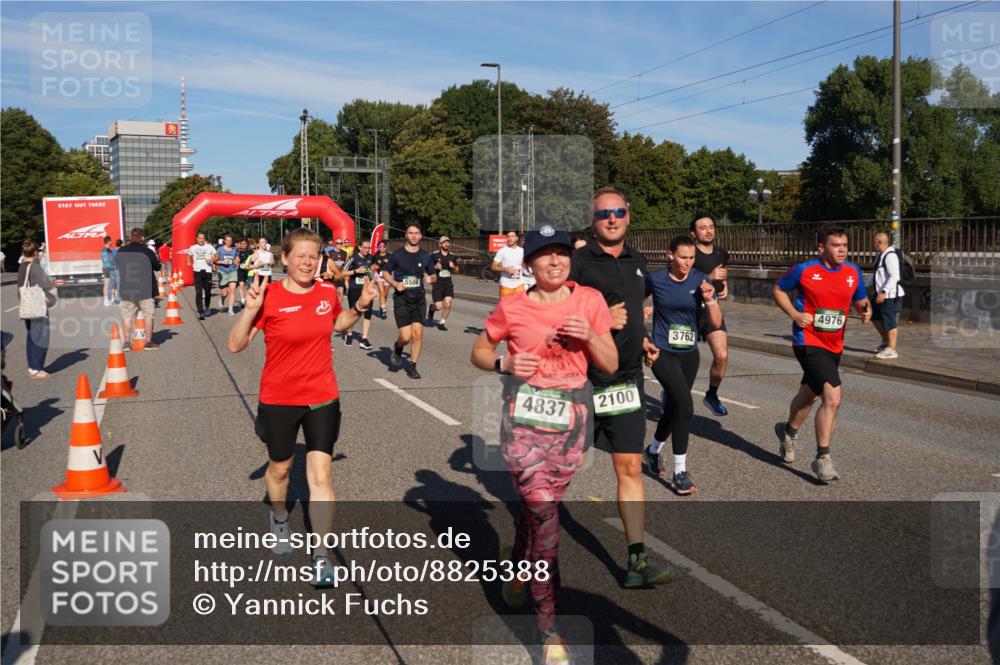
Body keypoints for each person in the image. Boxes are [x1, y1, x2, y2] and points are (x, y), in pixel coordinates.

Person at [470, 224, 617, 665]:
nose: (555, 261)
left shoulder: (589, 301)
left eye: (561, 253)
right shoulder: (512, 307)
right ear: (530, 264)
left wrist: (590, 336)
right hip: (523, 425)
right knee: (543, 512)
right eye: (544, 255)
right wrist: (505, 362)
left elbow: (608, 364)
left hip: (572, 425)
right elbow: (478, 350)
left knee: (540, 512)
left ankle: (517, 567)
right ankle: (549, 629)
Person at [227, 227, 377, 587]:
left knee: (321, 476)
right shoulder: (270, 295)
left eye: (314, 256)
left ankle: (321, 556)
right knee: (280, 471)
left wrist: (359, 306)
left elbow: (337, 323)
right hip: (279, 398)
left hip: (323, 396)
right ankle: (279, 517)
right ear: (285, 259)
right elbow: (235, 345)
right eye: (301, 256)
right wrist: (249, 310)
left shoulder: (326, 291)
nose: (308, 262)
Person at [570, 187, 678, 587]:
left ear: (629, 216)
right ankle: (524, 554)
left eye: (617, 212)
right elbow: (559, 318)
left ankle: (636, 563)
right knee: (565, 469)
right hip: (582, 380)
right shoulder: (578, 262)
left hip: (627, 380)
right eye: (603, 214)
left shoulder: (637, 261)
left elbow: (630, 314)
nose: (611, 218)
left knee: (629, 466)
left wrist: (642, 338)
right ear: (593, 220)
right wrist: (599, 322)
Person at [773, 223, 870, 482]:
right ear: (821, 247)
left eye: (845, 245)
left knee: (810, 395)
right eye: (835, 245)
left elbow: (860, 298)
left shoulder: (853, 271)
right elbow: (779, 289)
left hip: (835, 344)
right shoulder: (805, 271)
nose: (842, 250)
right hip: (808, 340)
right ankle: (823, 458)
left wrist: (865, 310)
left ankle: (788, 432)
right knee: (833, 396)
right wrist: (794, 314)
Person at [644, 236, 721, 496]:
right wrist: (643, 331)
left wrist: (709, 299)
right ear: (670, 255)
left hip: (689, 353)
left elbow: (717, 320)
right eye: (682, 257)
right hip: (662, 352)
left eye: (691, 258)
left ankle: (653, 451)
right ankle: (680, 472)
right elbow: (632, 304)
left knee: (674, 407)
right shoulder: (655, 279)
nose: (687, 263)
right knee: (685, 405)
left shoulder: (700, 280)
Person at [382, 224, 436, 379]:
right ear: (406, 235)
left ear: (420, 236)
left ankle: (413, 366)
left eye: (416, 233)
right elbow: (385, 272)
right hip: (402, 299)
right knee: (405, 337)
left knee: (418, 333)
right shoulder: (397, 255)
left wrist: (430, 278)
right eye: (410, 233)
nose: (413, 236)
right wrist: (394, 284)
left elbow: (434, 276)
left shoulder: (425, 256)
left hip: (419, 299)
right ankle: (398, 347)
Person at [690, 215, 730, 416]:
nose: (708, 231)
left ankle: (712, 394)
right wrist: (709, 277)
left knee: (722, 355)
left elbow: (723, 271)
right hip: (688, 310)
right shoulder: (689, 254)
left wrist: (724, 285)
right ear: (693, 233)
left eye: (711, 227)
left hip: (711, 310)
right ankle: (672, 392)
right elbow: (680, 281)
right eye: (703, 227)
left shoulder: (722, 253)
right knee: (685, 363)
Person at [116, 228, 162, 349]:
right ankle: (148, 342)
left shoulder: (121, 250)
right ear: (142, 238)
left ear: (130, 237)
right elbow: (157, 267)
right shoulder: (147, 252)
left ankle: (126, 342)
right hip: (145, 289)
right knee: (148, 316)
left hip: (127, 289)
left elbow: (116, 265)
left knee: (127, 316)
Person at [17, 240, 57, 379]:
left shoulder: (22, 266)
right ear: (35, 253)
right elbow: (46, 284)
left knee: (31, 337)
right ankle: (36, 369)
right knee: (40, 337)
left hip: (27, 305)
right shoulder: (35, 267)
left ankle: (32, 367)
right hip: (37, 307)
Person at [869, 231, 904, 359]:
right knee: (875, 317)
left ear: (879, 243)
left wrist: (884, 292)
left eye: (874, 242)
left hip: (890, 295)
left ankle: (892, 350)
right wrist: (864, 286)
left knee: (890, 322)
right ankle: (886, 342)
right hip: (880, 293)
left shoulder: (890, 256)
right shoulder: (880, 256)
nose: (873, 244)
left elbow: (895, 276)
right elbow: (875, 275)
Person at [341, 240, 375, 349]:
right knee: (354, 313)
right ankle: (349, 334)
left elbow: (372, 272)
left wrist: (372, 271)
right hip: (355, 288)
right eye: (365, 247)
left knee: (368, 313)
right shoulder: (353, 258)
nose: (367, 250)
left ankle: (364, 338)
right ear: (359, 247)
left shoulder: (371, 257)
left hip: (367, 288)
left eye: (368, 248)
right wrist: (355, 271)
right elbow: (342, 272)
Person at [427, 236, 460, 330]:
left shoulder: (452, 256)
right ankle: (432, 309)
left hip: (448, 284)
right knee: (438, 307)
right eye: (444, 242)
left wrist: (453, 267)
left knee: (448, 303)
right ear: (440, 244)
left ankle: (442, 322)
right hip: (437, 284)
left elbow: (457, 271)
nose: (446, 244)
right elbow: (427, 268)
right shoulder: (434, 255)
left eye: (448, 242)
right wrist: (435, 267)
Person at [186, 232, 217, 319]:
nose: (201, 240)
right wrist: (188, 261)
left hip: (207, 272)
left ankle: (207, 308)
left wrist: (211, 259)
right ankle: (200, 311)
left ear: (204, 239)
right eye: (200, 238)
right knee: (198, 292)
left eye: (203, 238)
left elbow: (217, 256)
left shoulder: (209, 247)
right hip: (197, 272)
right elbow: (188, 256)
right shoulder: (193, 247)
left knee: (207, 292)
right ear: (197, 239)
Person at [493, 230, 525, 298]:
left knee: (519, 307)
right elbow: (493, 266)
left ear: (516, 238)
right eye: (508, 236)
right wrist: (505, 269)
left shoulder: (522, 251)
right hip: (506, 285)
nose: (510, 238)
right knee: (505, 308)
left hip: (519, 284)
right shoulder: (502, 251)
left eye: (512, 236)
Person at [215, 235, 240, 315]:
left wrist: (237, 262)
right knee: (225, 293)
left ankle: (230, 309)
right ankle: (222, 299)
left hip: (232, 271)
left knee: (232, 290)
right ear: (224, 241)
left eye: (231, 240)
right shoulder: (220, 249)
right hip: (223, 272)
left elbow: (237, 258)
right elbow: (215, 261)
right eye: (228, 240)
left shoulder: (235, 249)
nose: (229, 242)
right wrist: (222, 262)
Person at [370, 241, 391, 319]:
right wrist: (374, 267)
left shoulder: (390, 256)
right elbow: (372, 266)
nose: (382, 248)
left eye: (383, 246)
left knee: (385, 295)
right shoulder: (375, 256)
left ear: (386, 247)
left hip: (387, 276)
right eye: (380, 246)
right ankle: (383, 309)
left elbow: (394, 266)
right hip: (378, 275)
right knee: (381, 292)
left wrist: (389, 263)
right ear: (378, 247)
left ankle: (381, 306)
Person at [101, 236, 117, 306]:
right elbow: (111, 260)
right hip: (110, 268)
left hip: (105, 268)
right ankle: (108, 300)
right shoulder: (108, 250)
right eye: (111, 241)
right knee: (109, 284)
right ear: (109, 241)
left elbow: (102, 259)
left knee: (107, 284)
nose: (112, 242)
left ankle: (110, 299)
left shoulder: (102, 250)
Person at [236, 239, 253, 307]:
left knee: (249, 287)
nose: (243, 245)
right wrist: (237, 261)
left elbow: (253, 259)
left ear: (247, 244)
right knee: (241, 285)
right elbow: (236, 260)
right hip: (241, 270)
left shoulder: (250, 251)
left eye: (245, 243)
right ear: (240, 244)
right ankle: (243, 300)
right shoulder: (237, 251)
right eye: (242, 243)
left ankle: (247, 299)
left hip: (249, 270)